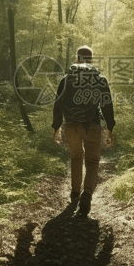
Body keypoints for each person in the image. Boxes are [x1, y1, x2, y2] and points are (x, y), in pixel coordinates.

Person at [51, 45, 116, 218]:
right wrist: (110, 128)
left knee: (76, 157)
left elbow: (58, 103)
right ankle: (86, 195)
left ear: (77, 59)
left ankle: (74, 194)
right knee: (93, 161)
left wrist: (56, 127)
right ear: (91, 60)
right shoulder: (100, 79)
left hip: (71, 125)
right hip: (93, 125)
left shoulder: (66, 79)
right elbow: (106, 105)